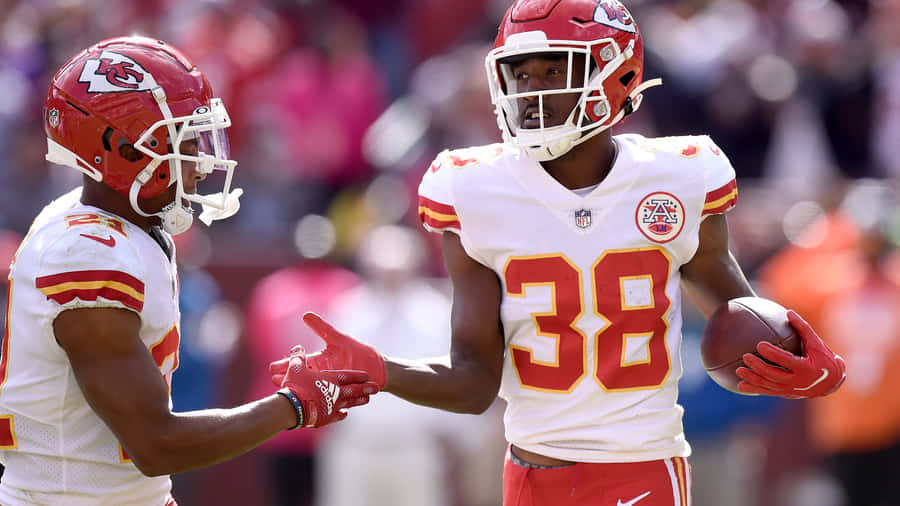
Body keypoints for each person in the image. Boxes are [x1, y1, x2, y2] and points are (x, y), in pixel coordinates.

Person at [272, 1, 847, 504]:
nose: (533, 90)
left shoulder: (678, 176)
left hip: (642, 464)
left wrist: (795, 362)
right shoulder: (473, 189)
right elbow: (474, 384)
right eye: (520, 74)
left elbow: (742, 327)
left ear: (618, 74)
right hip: (531, 475)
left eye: (555, 70)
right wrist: (379, 369)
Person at [0, 36, 378, 506]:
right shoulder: (86, 252)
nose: (200, 162)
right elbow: (156, 444)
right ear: (120, 146)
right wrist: (294, 405)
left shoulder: (119, 227)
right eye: (183, 139)